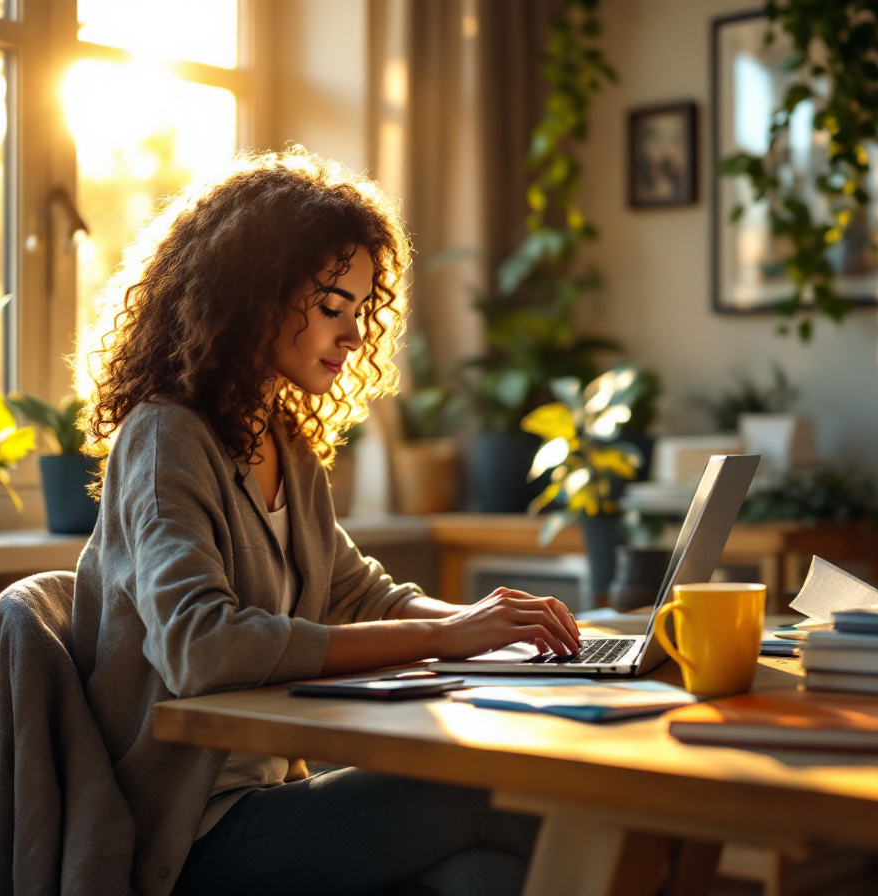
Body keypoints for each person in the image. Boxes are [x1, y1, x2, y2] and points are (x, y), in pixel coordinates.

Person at [70, 147, 583, 896]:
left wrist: (489, 627)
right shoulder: (164, 437)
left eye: (360, 311)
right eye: (333, 306)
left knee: (486, 876)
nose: (353, 336)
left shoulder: (283, 439)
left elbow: (359, 593)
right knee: (485, 793)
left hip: (274, 797)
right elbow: (200, 649)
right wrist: (447, 636)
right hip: (191, 837)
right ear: (256, 295)